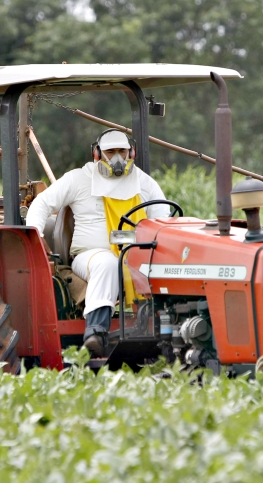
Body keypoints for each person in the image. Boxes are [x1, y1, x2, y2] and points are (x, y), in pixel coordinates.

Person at [25, 129, 169, 357]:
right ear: (97, 154)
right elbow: (42, 204)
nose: (117, 158)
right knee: (107, 262)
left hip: (135, 254)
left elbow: (163, 217)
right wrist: (36, 237)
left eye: (122, 151)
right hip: (89, 255)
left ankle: (162, 327)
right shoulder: (79, 178)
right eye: (110, 152)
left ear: (131, 152)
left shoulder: (144, 182)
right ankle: (96, 331)